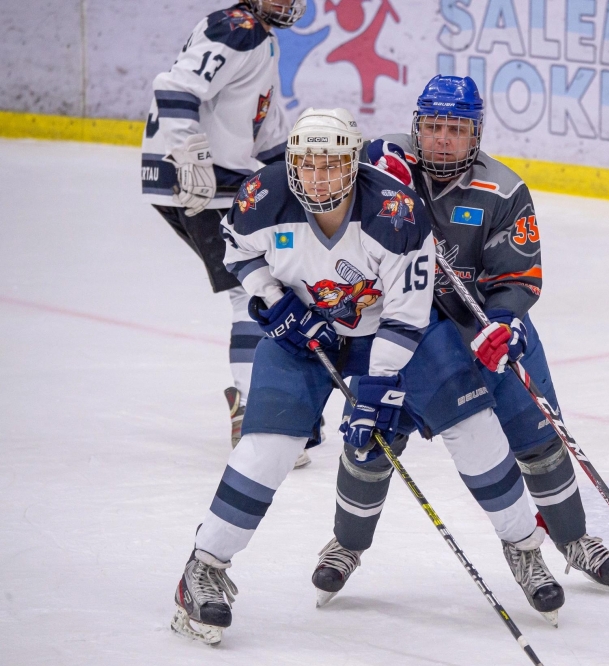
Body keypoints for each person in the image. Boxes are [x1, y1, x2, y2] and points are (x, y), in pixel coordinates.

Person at [171, 108, 562, 645]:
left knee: (472, 424)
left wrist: (376, 389)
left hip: (396, 333)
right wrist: (274, 300)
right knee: (268, 447)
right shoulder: (262, 196)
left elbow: (407, 314)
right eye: (308, 164)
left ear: (354, 164)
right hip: (305, 336)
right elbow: (237, 252)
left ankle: (524, 548)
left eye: (332, 164)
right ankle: (203, 569)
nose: (318, 177)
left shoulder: (396, 213)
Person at [366, 76, 609, 591]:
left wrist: (505, 323)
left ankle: (572, 538)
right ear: (417, 128)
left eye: (457, 130)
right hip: (406, 335)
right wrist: (371, 169)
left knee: (538, 436)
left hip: (483, 328)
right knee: (376, 440)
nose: (444, 139)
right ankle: (347, 545)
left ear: (477, 134)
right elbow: (324, 169)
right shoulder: (383, 168)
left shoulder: (503, 191)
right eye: (434, 127)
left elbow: (516, 276)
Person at [139, 0, 314, 464]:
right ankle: (256, 417)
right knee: (254, 287)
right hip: (199, 180)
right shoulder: (239, 28)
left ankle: (256, 406)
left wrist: (302, 174)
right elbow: (173, 87)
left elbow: (264, 128)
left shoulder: (260, 36)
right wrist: (189, 153)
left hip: (208, 177)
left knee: (260, 283)